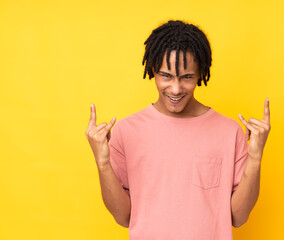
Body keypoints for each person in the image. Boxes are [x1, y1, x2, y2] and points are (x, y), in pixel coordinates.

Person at [85, 20, 271, 240]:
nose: (175, 88)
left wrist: (256, 157)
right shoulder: (127, 131)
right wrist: (102, 163)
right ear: (153, 70)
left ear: (200, 74)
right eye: (166, 76)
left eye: (187, 77)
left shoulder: (229, 131)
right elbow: (122, 216)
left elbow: (238, 217)